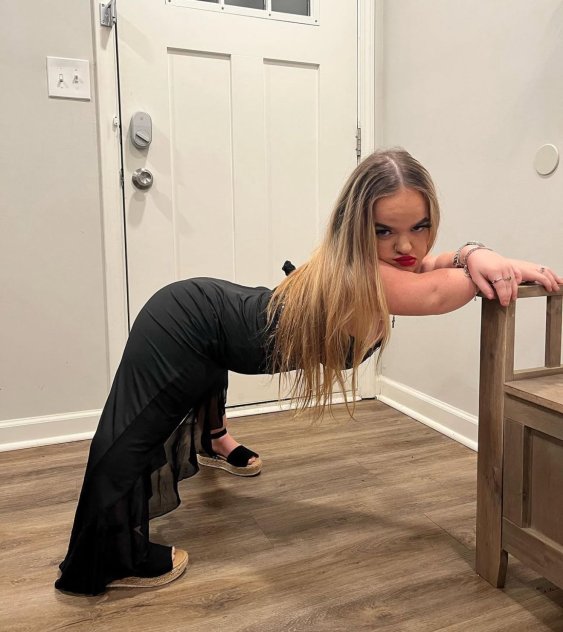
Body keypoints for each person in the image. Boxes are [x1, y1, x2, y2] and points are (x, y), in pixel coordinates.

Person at [55, 148, 562, 595]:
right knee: (133, 434)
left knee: (208, 370)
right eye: (384, 231)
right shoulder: (361, 274)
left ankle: (215, 440)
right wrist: (499, 268)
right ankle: (106, 558)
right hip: (184, 319)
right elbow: (436, 291)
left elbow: (435, 264)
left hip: (213, 320)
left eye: (420, 227)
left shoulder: (393, 265)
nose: (407, 247)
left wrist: (480, 253)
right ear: (355, 227)